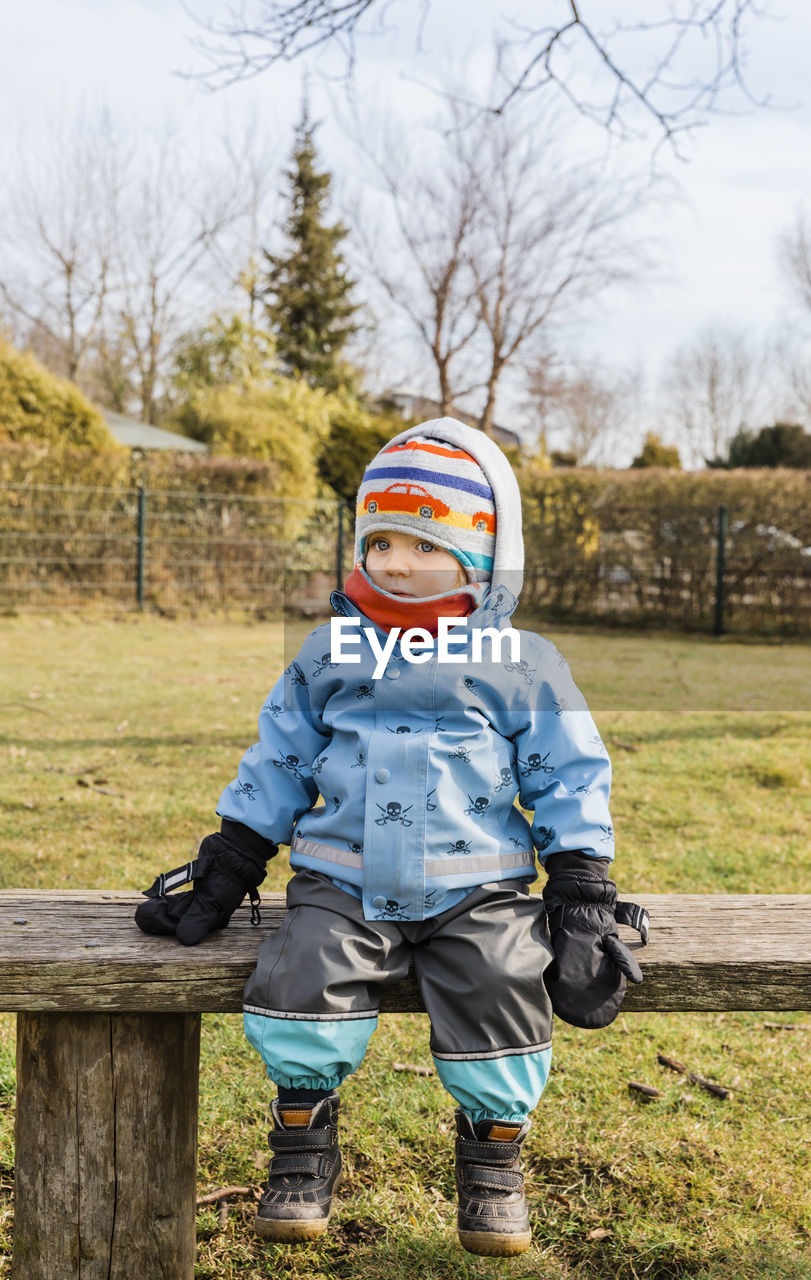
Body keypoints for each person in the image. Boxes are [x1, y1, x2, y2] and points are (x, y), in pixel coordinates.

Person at [136, 417, 648, 1258]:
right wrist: (231, 860)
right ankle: (302, 1143)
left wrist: (582, 886)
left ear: (480, 557)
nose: (396, 561)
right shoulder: (327, 652)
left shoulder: (521, 662)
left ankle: (493, 1156)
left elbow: (568, 770)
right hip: (340, 882)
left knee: (502, 978)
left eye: (422, 543)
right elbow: (281, 757)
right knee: (303, 969)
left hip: (477, 888)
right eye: (379, 540)